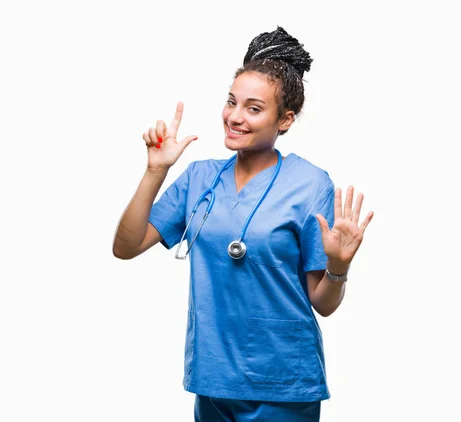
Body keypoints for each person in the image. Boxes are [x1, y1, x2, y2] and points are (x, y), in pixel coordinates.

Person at [113, 26, 374, 421]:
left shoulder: (309, 184)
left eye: (253, 108)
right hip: (213, 377)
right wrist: (155, 171)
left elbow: (323, 304)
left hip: (283, 381)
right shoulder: (199, 178)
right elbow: (126, 247)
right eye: (232, 102)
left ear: (284, 120)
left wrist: (339, 267)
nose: (234, 117)